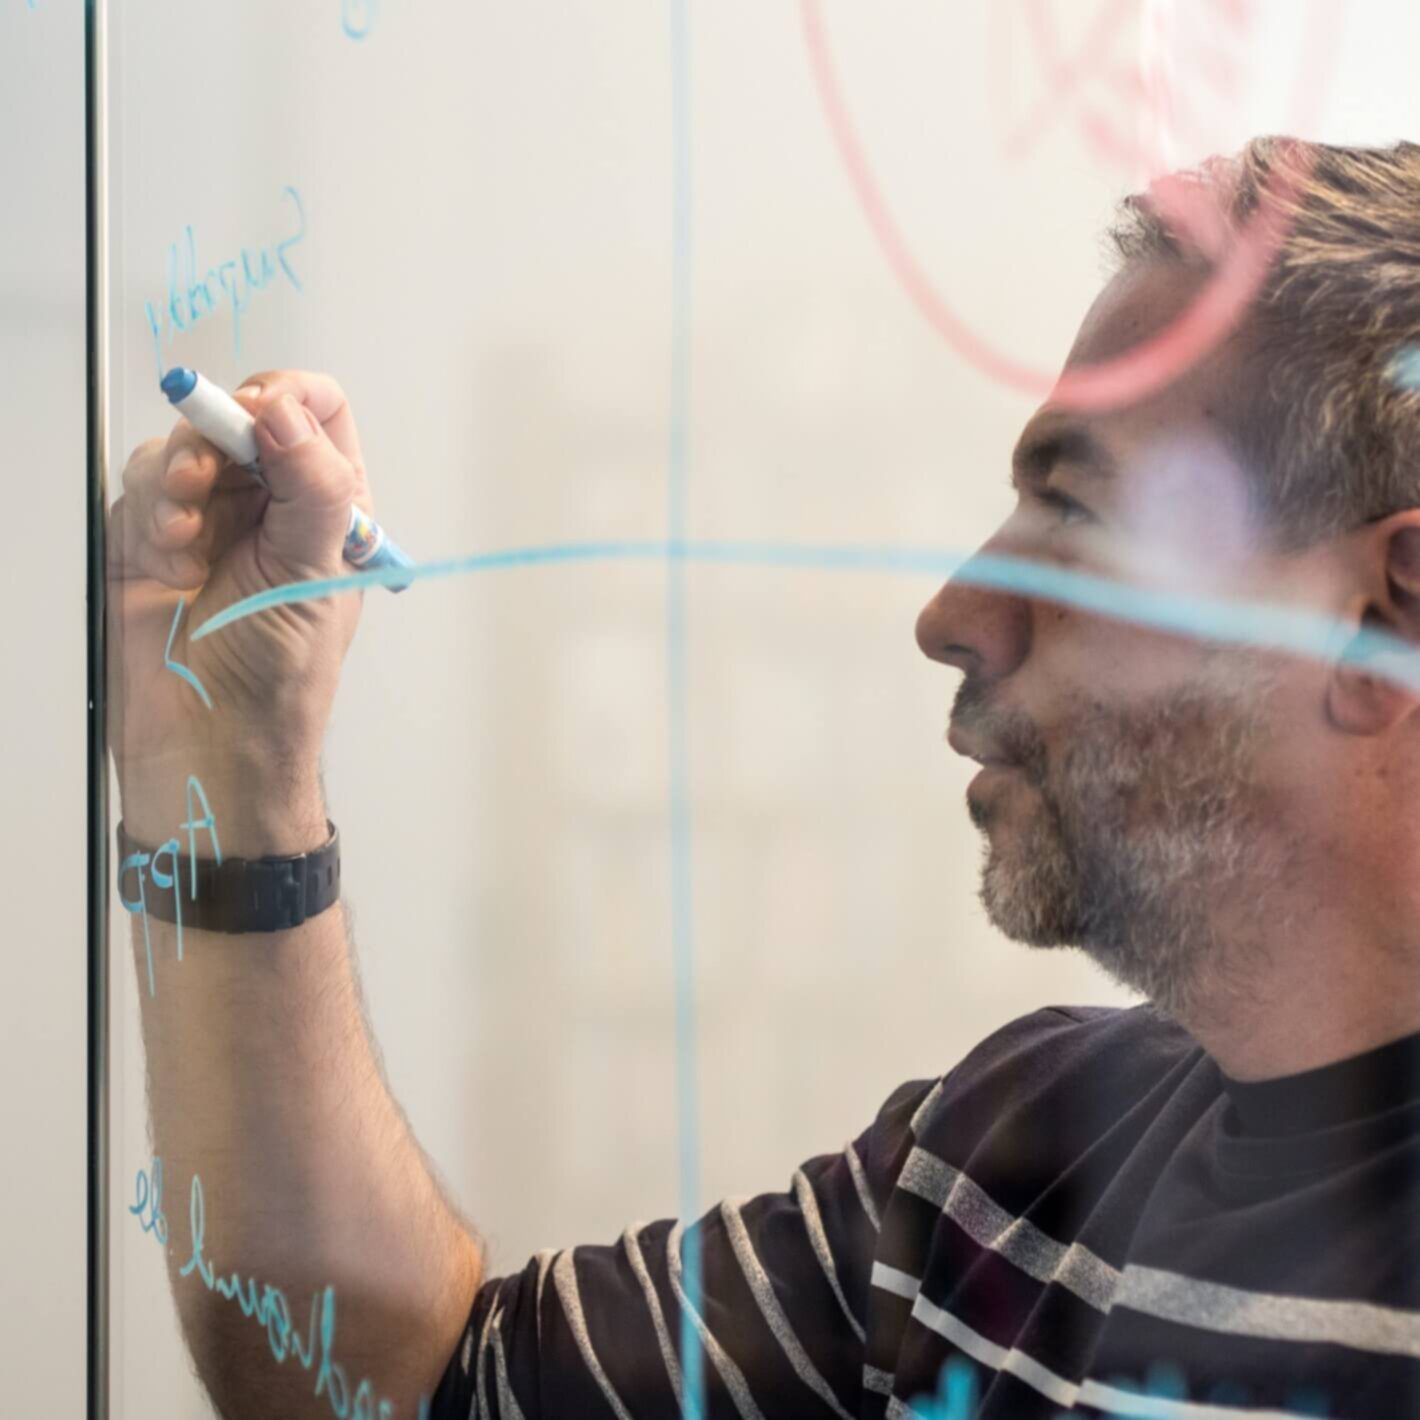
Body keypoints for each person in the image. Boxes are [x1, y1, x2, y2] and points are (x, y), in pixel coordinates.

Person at [110, 137, 1420, 1419]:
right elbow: (401, 1390)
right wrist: (240, 761)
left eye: (1076, 515)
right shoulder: (1003, 1176)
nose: (954, 614)